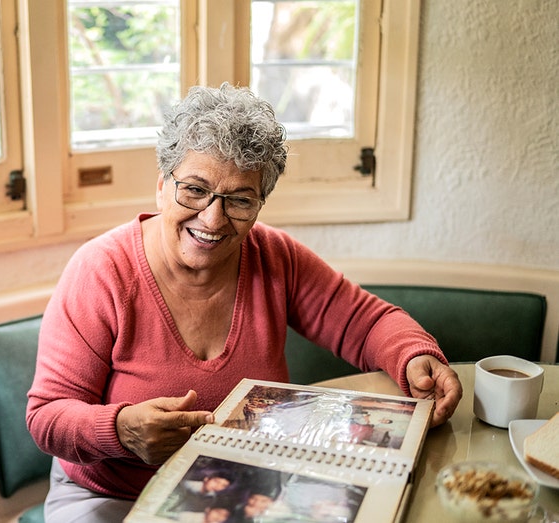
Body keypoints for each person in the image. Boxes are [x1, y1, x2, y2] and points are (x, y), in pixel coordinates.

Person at [25, 83, 463, 522]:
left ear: (260, 204)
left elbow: (365, 323)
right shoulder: (101, 271)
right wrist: (121, 431)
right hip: (115, 496)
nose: (213, 219)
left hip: (247, 490)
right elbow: (47, 417)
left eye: (238, 200)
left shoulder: (274, 256)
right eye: (194, 190)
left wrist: (411, 355)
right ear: (161, 185)